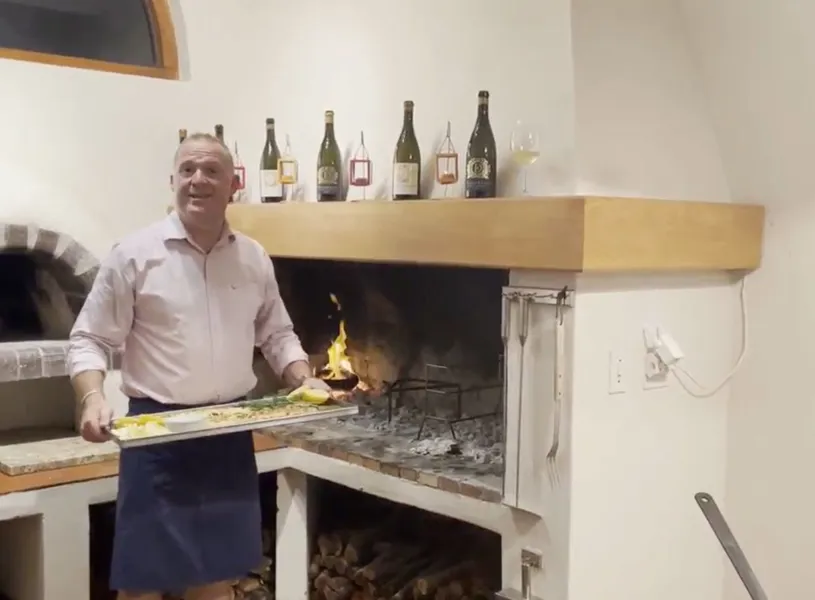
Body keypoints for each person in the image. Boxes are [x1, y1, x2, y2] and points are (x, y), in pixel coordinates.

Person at [68, 132, 330, 600]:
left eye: (211, 171)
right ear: (172, 180)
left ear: (234, 184)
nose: (198, 180)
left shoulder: (253, 258)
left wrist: (302, 376)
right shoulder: (134, 254)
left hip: (228, 433)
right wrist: (91, 397)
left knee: (216, 576)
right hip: (157, 435)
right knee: (143, 582)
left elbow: (277, 334)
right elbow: (89, 337)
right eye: (188, 169)